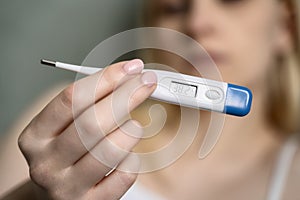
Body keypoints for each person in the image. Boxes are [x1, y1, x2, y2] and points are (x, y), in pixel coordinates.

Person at [1, 0, 300, 199]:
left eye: (231, 0)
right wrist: (35, 196)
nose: (197, 23)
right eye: (172, 6)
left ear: (285, 26)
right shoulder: (67, 125)